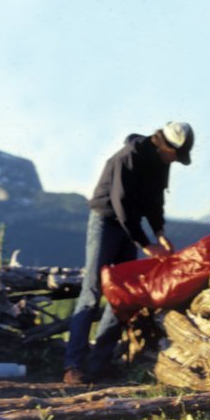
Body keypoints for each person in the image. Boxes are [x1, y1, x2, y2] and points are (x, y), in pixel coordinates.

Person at [63, 122, 195, 384]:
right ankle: (73, 365)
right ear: (166, 145)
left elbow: (155, 201)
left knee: (121, 295)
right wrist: (145, 244)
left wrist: (158, 232)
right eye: (175, 155)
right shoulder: (127, 158)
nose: (175, 160)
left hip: (127, 227)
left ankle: (99, 364)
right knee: (92, 292)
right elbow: (121, 205)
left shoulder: (161, 161)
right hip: (106, 222)